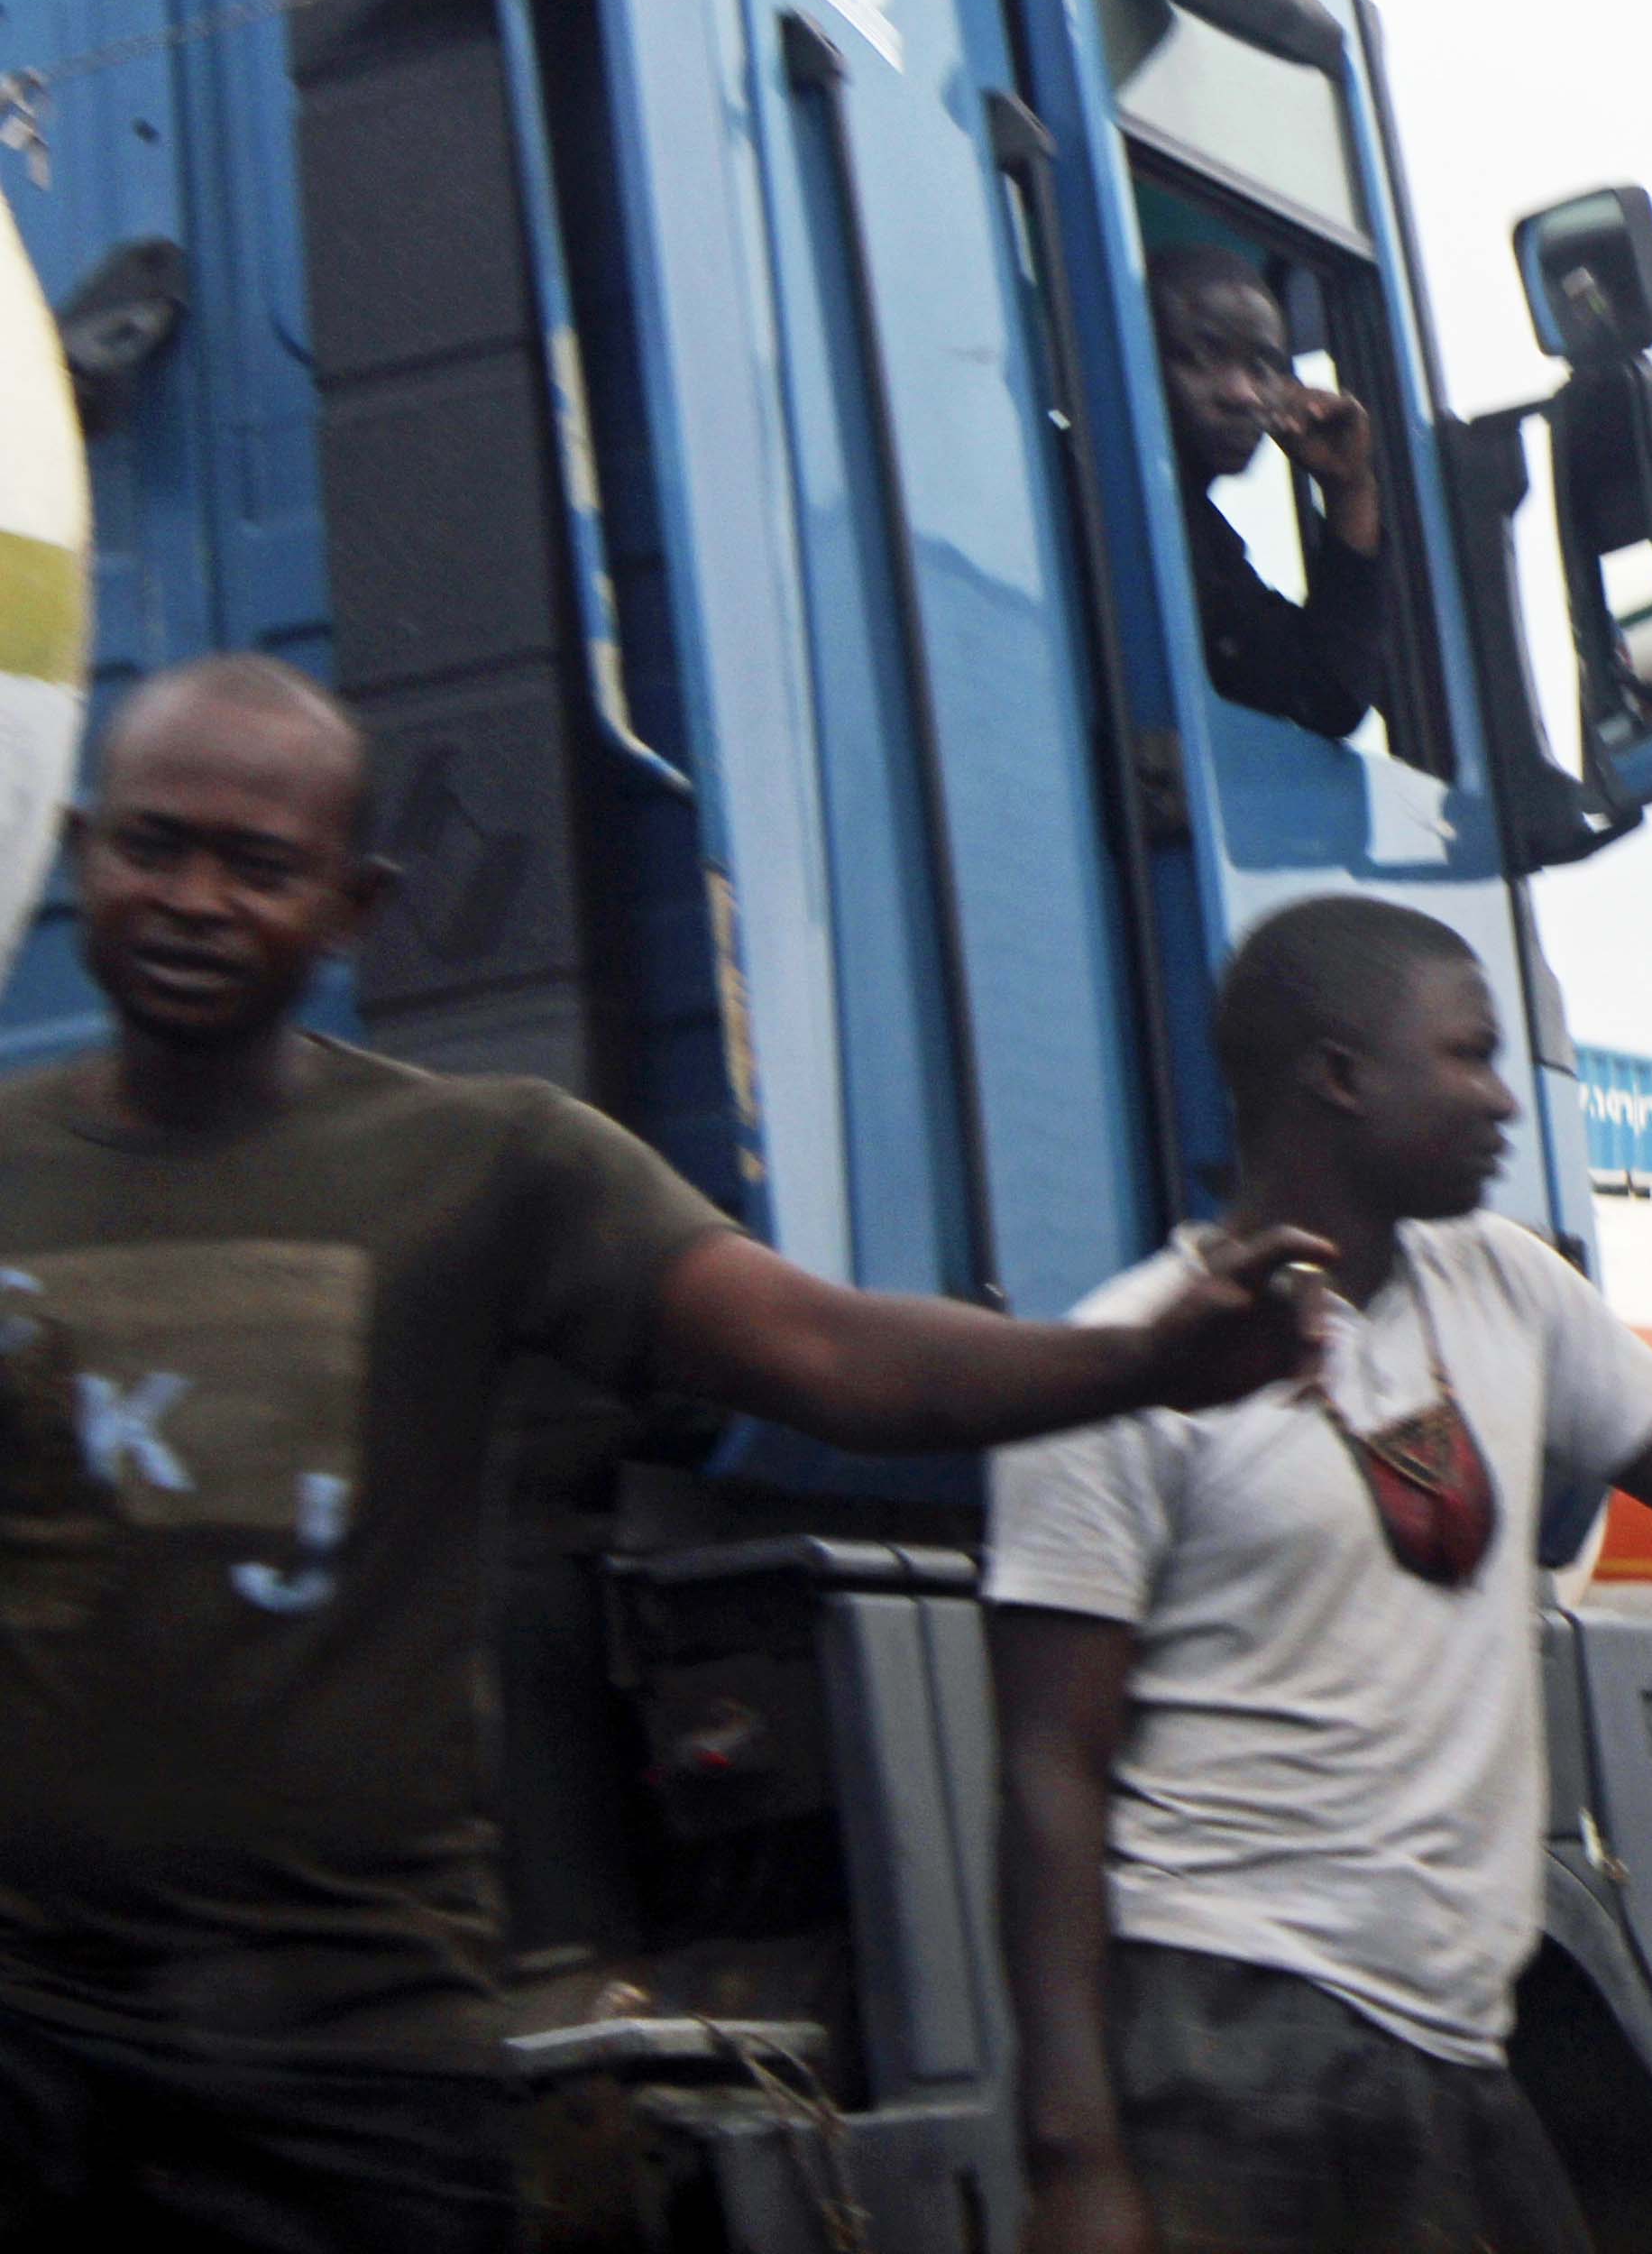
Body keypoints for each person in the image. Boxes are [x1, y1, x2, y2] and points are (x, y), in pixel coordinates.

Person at [0, 655, 1332, 2253]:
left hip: (344, 2056)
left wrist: (1137, 1359)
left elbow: (828, 1354)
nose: (194, 896)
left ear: (356, 904)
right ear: (78, 853)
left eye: (260, 865)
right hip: (27, 2037)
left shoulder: (486, 1166)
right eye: (152, 846)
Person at [990, 894, 1652, 2254]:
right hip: (1225, 2030)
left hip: (1447, 2032)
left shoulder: (1507, 1292)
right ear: (1343, 1078)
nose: (1504, 1098)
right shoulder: (1125, 1366)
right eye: (1469, 1056)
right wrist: (1072, 2156)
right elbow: (1045, 1779)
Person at [1151, 239, 1390, 741]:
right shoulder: (1113, 505)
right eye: (1202, 355)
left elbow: (1327, 691)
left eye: (1262, 367)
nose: (1241, 393)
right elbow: (1329, 695)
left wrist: (1349, 488)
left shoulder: (1191, 525)